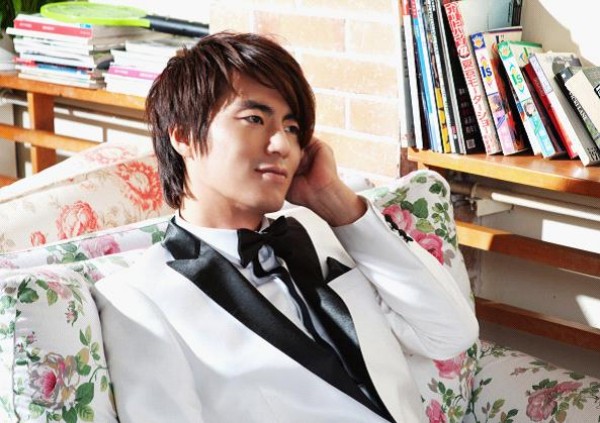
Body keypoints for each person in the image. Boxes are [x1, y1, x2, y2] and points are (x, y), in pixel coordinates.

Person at [94, 31, 478, 423]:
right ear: (184, 135)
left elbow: (450, 334)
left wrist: (336, 201)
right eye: (254, 119)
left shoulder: (324, 231)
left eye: (292, 128)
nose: (281, 145)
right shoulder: (140, 300)